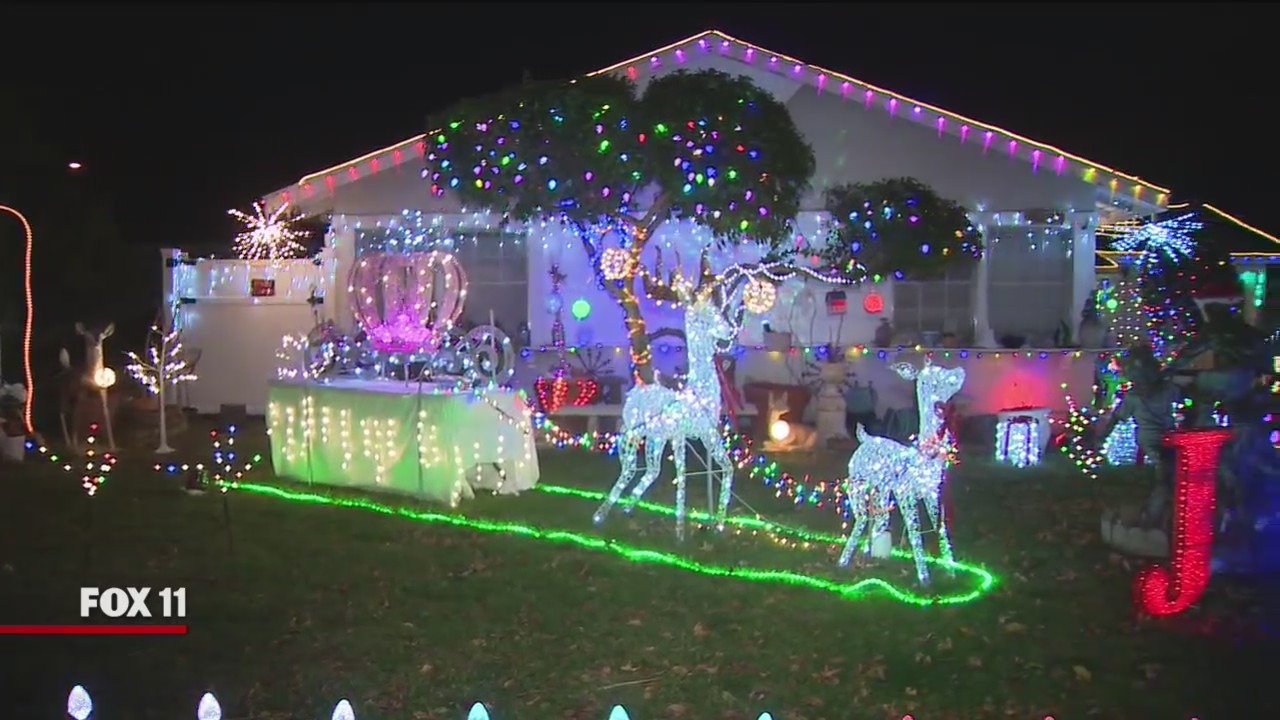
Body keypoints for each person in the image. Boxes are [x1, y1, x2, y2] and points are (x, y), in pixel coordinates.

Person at [1101, 345, 1182, 529]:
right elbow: (1117, 417)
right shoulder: (1147, 394)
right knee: (1165, 476)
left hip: (1165, 437)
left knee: (1170, 474)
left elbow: (1117, 417)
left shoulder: (1150, 393)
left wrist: (1102, 436)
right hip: (1158, 438)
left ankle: (1161, 515)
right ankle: (1152, 520)